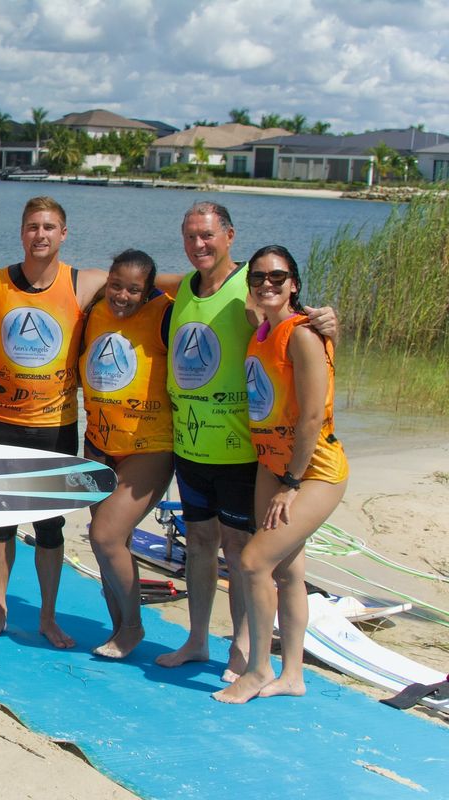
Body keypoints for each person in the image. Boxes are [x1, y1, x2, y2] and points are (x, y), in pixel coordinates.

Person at [155, 201, 337, 681]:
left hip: (242, 452)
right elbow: (132, 280)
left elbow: (297, 329)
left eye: (208, 236)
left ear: (229, 236)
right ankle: (196, 639)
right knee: (197, 542)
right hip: (191, 444)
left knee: (239, 551)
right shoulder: (179, 289)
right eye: (190, 235)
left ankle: (240, 648)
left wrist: (330, 322)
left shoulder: (251, 290)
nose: (199, 245)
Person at [214, 245, 348, 704]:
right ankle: (293, 674)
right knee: (289, 572)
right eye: (258, 278)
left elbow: (311, 417)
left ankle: (257, 670)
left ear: (294, 284)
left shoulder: (302, 335)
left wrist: (290, 486)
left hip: (313, 472)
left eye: (277, 277)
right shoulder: (263, 330)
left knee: (252, 562)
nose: (266, 284)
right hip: (272, 464)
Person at [0, 196, 108, 646]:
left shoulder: (82, 283)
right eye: (32, 227)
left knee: (50, 524)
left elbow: (147, 282)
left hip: (56, 425)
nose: (40, 235)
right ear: (22, 232)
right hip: (1, 422)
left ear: (63, 234)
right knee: (1, 522)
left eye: (49, 227)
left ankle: (47, 617)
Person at [79, 250, 175, 658]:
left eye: (134, 289)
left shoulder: (166, 313)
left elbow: (204, 287)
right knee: (109, 544)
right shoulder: (95, 308)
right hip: (99, 443)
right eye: (116, 285)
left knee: (105, 535)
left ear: (149, 289)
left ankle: (133, 628)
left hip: (149, 447)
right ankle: (119, 626)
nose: (122, 295)